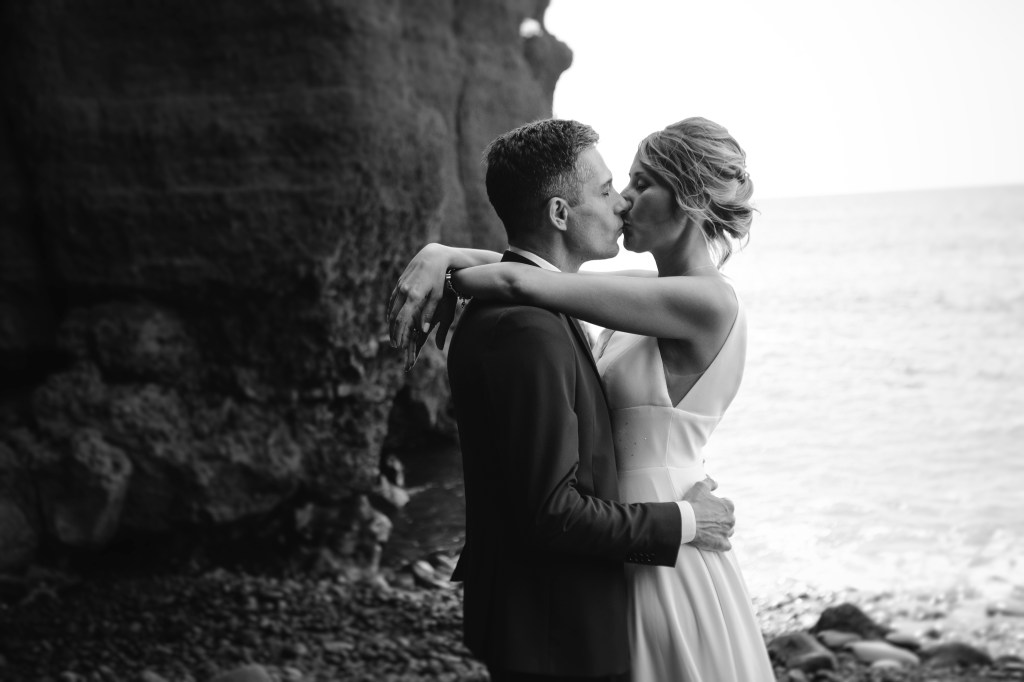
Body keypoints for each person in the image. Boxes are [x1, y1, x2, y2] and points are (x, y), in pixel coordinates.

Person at [389, 117, 775, 681]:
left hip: (666, 524)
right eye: (617, 186)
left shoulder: (705, 302)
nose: (623, 201)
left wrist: (444, 264)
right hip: (627, 531)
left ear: (688, 201)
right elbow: (535, 274)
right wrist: (442, 253)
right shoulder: (643, 295)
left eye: (640, 185)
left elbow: (528, 281)